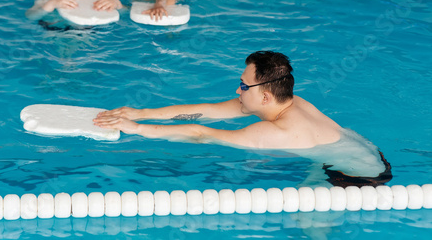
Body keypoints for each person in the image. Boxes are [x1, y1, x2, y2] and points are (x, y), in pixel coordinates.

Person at [94, 50, 392, 186]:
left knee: (307, 217)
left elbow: (201, 133)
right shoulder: (290, 101)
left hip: (360, 176)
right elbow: (208, 110)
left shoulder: (273, 131)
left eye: (244, 85)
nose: (238, 89)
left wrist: (137, 130)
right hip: (363, 151)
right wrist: (142, 112)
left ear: (264, 95)